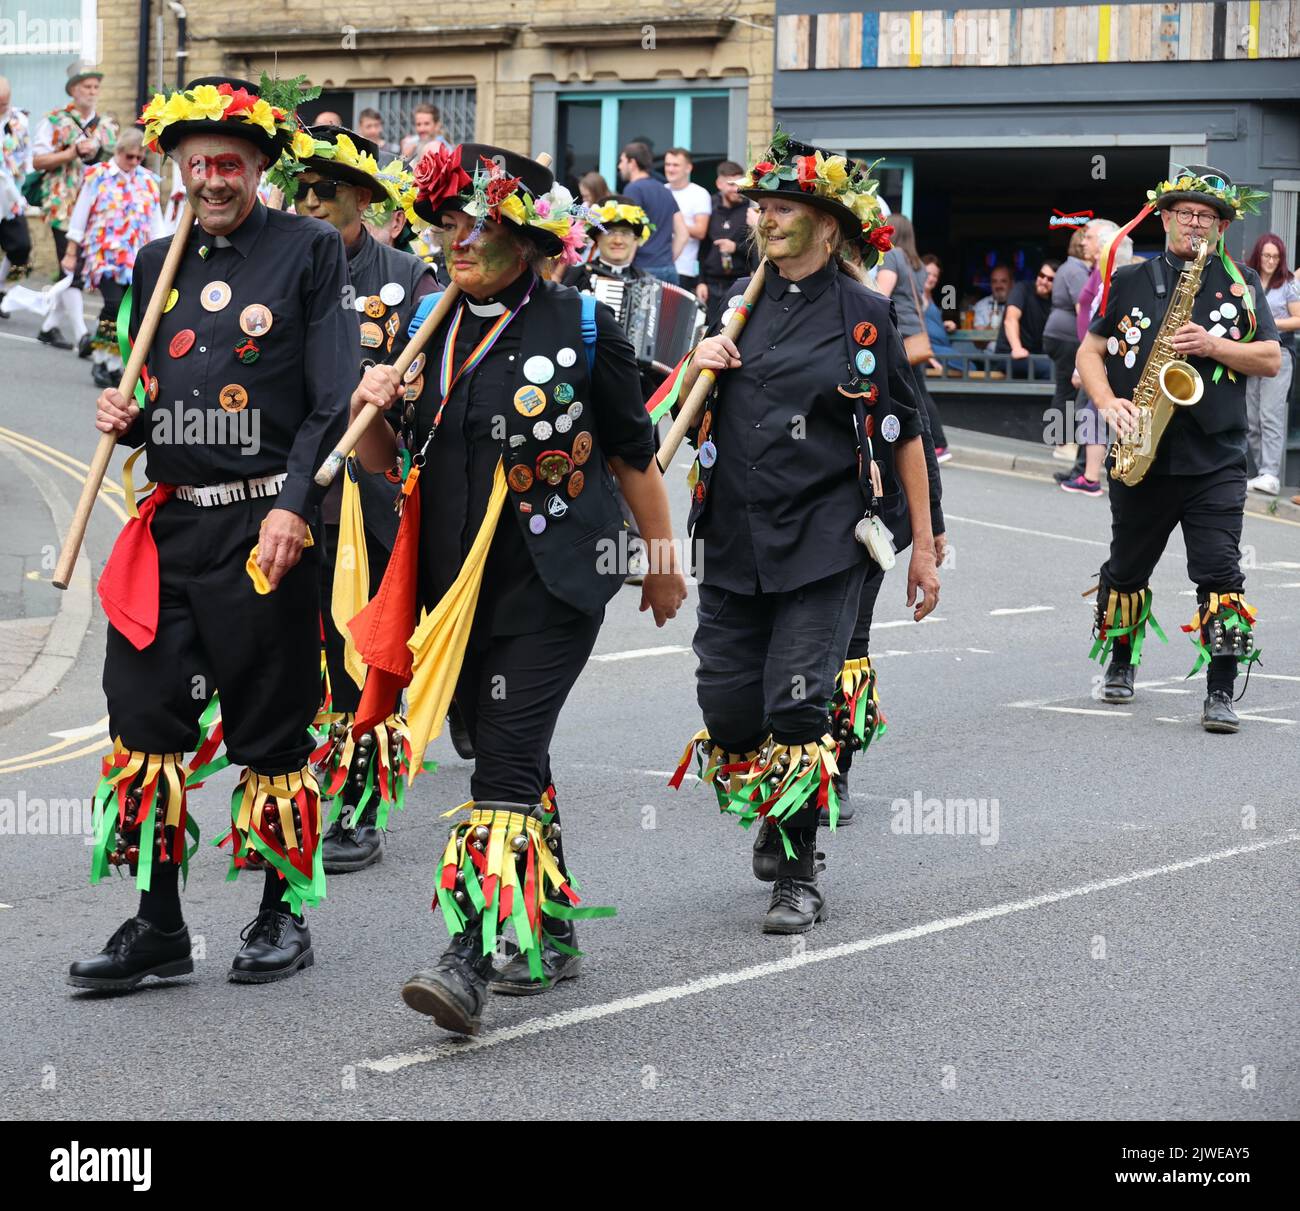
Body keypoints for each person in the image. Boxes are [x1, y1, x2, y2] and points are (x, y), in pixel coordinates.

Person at [346, 142, 686, 1034]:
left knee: (500, 754)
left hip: (556, 579)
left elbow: (631, 453)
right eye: (448, 222)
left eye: (478, 224)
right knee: (504, 744)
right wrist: (370, 407)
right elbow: (387, 466)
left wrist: (659, 558)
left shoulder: (579, 324)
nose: (457, 239)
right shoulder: (423, 320)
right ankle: (556, 923)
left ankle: (467, 959)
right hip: (452, 587)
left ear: (529, 239)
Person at [69, 75, 356, 992]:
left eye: (228, 164)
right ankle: (157, 924)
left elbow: (331, 398)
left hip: (263, 519)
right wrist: (133, 416)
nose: (212, 181)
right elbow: (167, 403)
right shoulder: (158, 259)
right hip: (172, 529)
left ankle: (281, 913)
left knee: (270, 727)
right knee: (144, 720)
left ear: (260, 168)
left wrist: (292, 508)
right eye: (196, 166)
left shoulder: (310, 251)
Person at [663, 133, 938, 934]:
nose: (768, 218)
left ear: (828, 225)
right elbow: (684, 403)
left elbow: (905, 430)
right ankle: (773, 810)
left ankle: (797, 867)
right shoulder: (737, 305)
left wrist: (924, 544)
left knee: (797, 703)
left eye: (785, 206)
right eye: (762, 207)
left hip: (826, 538)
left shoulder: (866, 312)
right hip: (732, 536)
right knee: (725, 705)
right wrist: (698, 362)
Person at [1077, 165, 1279, 734]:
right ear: (1164, 218)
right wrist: (1108, 403)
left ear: (1220, 226)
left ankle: (1220, 689)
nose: (1195, 224)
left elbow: (1270, 358)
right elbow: (1088, 354)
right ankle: (1120, 661)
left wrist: (1215, 346)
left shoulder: (1241, 283)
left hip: (1214, 456)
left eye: (1207, 217)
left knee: (1220, 571)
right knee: (1127, 567)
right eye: (1186, 214)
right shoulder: (1130, 278)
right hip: (1143, 447)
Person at [285, 124, 434, 872]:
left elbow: (429, 395)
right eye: (301, 190)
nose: (310, 203)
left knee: (361, 652)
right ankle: (293, 790)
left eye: (328, 193)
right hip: (281, 491)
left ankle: (363, 801)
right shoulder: (267, 270)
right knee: (291, 648)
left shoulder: (410, 278)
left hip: (366, 496)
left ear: (365, 199)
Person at [61, 128, 165, 388]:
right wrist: (71, 252)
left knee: (128, 315)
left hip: (135, 259)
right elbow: (80, 215)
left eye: (139, 158)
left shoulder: (148, 181)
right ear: (118, 152)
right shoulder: (98, 176)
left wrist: (163, 256)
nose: (134, 162)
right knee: (113, 306)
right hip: (104, 257)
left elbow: (156, 223)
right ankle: (100, 360)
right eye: (129, 157)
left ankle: (116, 365)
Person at [31, 64, 117, 352]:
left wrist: (99, 152)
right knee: (73, 269)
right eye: (86, 87)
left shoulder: (105, 125)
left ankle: (47, 328)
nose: (92, 92)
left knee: (76, 268)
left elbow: (117, 161)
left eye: (95, 87)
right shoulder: (54, 121)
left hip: (95, 207)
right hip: (63, 205)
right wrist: (72, 152)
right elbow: (38, 161)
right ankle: (83, 335)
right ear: (73, 90)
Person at [1060, 231, 1133, 497]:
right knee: (1099, 414)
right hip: (1105, 359)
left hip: (1106, 361)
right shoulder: (1112, 280)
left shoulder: (1113, 282)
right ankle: (1093, 473)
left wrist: (1088, 365)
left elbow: (1100, 326)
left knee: (1096, 415)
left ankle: (1091, 477)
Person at [875, 213, 949, 460]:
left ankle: (932, 444)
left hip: (899, 334)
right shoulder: (915, 263)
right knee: (917, 391)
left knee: (910, 392)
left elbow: (882, 296)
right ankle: (935, 443)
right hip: (914, 332)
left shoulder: (892, 257)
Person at [1044, 223, 1107, 459]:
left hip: (1058, 334)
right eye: (1085, 240)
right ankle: (1064, 442)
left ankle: (1064, 442)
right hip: (1067, 337)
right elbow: (1084, 305)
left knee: (1066, 389)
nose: (1085, 244)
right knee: (1068, 390)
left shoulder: (1070, 269)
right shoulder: (1076, 271)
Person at [1244, 234, 1300, 496]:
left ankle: (1270, 474)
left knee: (1270, 415)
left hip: (1279, 352)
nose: (1271, 261)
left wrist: (1267, 323)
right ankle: (1263, 473)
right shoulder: (1246, 278)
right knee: (1252, 418)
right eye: (1267, 256)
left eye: (1276, 257)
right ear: (1259, 255)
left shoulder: (1288, 283)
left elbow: (1298, 319)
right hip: (1251, 352)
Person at [696, 160, 756, 329]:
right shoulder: (709, 208)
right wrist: (701, 281)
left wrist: (735, 247)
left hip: (739, 282)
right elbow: (703, 248)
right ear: (719, 184)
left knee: (735, 329)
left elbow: (757, 248)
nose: (736, 189)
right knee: (709, 330)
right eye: (730, 184)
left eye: (738, 184)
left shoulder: (750, 210)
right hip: (712, 284)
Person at [617, 140, 684, 284]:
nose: (619, 166)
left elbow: (632, 231)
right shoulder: (665, 190)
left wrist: (624, 267)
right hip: (669, 269)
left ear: (632, 163)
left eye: (622, 161)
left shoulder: (633, 189)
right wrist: (667, 259)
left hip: (642, 269)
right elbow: (683, 234)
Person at [0, 77, 33, 300]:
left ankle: (0, 286)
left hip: (11, 196)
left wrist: (27, 182)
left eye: (4, 103)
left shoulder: (19, 120)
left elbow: (27, 153)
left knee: (21, 246)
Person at [663, 146, 711, 294]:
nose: (670, 169)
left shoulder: (699, 194)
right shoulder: (660, 191)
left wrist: (669, 224)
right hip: (657, 264)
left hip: (683, 269)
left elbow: (701, 231)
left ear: (688, 168)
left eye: (676, 165)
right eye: (667, 164)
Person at [994, 260, 1056, 371]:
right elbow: (1011, 319)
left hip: (1035, 357)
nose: (1044, 281)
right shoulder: (1022, 289)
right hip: (1009, 355)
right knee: (1051, 369)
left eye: (1050, 279)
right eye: (1042, 276)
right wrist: (1017, 348)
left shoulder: (1055, 301)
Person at [972, 264, 1014, 343]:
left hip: (1015, 354)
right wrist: (991, 325)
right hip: (989, 355)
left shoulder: (1020, 304)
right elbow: (978, 344)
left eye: (1003, 281)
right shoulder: (981, 306)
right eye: (994, 281)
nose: (998, 285)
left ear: (1011, 284)